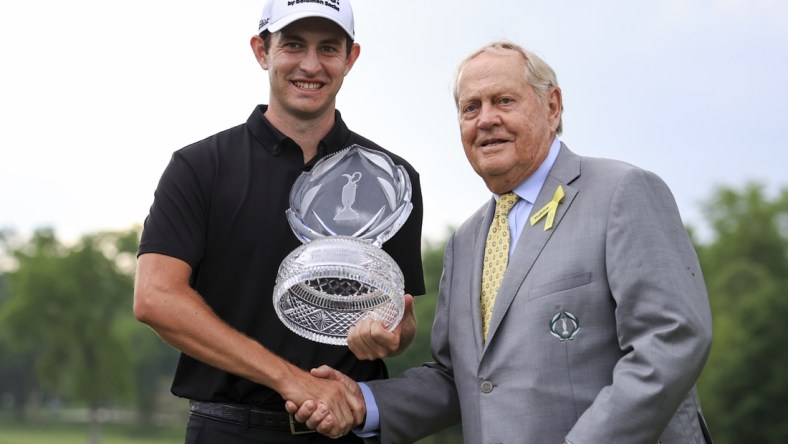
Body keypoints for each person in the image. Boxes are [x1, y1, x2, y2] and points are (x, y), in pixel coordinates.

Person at [290, 40, 714, 443]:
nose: (485, 119)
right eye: (470, 107)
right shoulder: (466, 240)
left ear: (552, 106)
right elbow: (461, 378)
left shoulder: (622, 191)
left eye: (504, 101)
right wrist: (363, 402)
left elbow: (671, 339)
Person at [132, 0, 425, 442]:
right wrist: (291, 379)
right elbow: (155, 297)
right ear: (261, 51)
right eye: (292, 45)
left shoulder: (391, 179)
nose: (311, 64)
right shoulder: (200, 166)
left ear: (351, 57)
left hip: (347, 428)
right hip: (229, 429)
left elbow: (402, 320)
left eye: (328, 48)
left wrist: (391, 334)